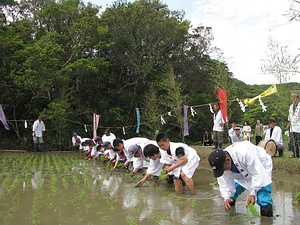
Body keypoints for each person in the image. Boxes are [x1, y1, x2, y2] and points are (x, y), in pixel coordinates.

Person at [208, 141, 273, 217]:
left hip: (260, 167)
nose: (223, 171)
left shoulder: (243, 154)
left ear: (228, 160)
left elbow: (257, 174)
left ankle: (267, 219)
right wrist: (226, 198)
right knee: (231, 198)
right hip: (241, 173)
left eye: (222, 168)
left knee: (263, 199)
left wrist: (252, 194)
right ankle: (232, 217)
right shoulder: (221, 163)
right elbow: (224, 183)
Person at [288, 91, 300, 158]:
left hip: (298, 126)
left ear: (296, 97)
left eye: (293, 97)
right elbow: (290, 117)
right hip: (292, 126)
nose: (292, 98)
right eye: (291, 96)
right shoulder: (291, 106)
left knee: (299, 141)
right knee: (293, 142)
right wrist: (289, 124)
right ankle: (295, 153)